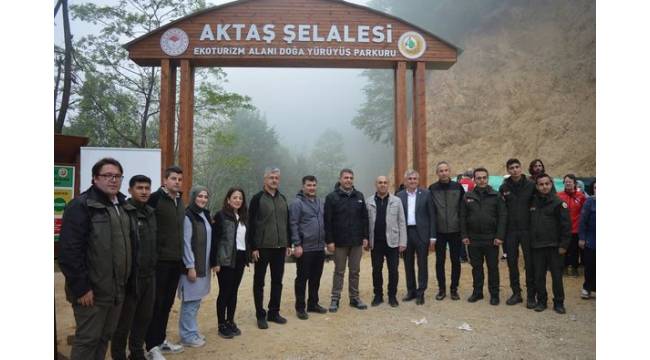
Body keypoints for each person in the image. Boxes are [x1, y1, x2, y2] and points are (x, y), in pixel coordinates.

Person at [59, 158, 138, 360]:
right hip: (92, 292)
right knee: (87, 340)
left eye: (117, 176)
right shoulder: (81, 206)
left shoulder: (122, 205)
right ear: (95, 178)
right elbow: (69, 252)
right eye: (107, 175)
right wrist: (82, 287)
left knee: (104, 337)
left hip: (117, 290)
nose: (113, 180)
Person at [111, 175, 157, 360]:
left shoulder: (152, 213)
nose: (144, 191)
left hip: (149, 275)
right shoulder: (124, 211)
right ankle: (118, 355)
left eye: (147, 188)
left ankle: (137, 352)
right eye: (140, 188)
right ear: (130, 190)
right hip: (130, 277)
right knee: (124, 322)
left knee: (144, 318)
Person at [145, 166, 185, 359]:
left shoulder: (179, 200)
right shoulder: (154, 199)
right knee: (156, 304)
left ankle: (160, 340)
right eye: (173, 178)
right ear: (165, 180)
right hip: (159, 261)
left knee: (167, 304)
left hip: (176, 260)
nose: (177, 182)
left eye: (179, 179)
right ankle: (151, 346)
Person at [248, 167, 291, 329]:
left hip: (280, 247)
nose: (274, 180)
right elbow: (251, 223)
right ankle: (260, 314)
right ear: (265, 179)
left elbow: (287, 223)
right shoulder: (257, 199)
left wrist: (288, 243)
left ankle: (274, 312)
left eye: (277, 178)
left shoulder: (283, 199)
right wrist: (253, 247)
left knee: (277, 281)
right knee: (259, 282)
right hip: (262, 247)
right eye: (271, 177)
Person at [325, 168, 370, 312]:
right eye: (346, 177)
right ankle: (335, 298)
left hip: (356, 241)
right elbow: (328, 221)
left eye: (351, 178)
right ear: (340, 180)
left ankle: (354, 298)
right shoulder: (332, 197)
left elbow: (364, 219)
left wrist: (365, 237)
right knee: (339, 271)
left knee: (355, 271)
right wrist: (329, 241)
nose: (348, 180)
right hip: (339, 242)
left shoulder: (359, 196)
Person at [461, 167, 507, 305]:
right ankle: (477, 292)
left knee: (493, 267)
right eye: (479, 178)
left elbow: (503, 216)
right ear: (474, 179)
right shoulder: (467, 196)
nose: (481, 180)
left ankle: (494, 294)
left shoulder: (496, 195)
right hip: (473, 239)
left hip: (491, 238)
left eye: (484, 177)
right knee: (476, 267)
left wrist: (499, 236)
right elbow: (462, 216)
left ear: (488, 179)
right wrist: (464, 235)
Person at [211, 187, 250, 338]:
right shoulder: (221, 216)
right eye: (234, 197)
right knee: (225, 292)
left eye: (240, 198)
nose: (238, 200)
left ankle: (230, 321)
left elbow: (246, 239)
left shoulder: (244, 216)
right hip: (225, 259)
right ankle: (221, 324)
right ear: (228, 199)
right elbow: (215, 241)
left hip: (240, 258)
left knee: (234, 292)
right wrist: (215, 262)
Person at [530, 174, 571, 313]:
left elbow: (566, 226)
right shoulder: (532, 202)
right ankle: (541, 301)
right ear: (537, 186)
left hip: (554, 247)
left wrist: (563, 245)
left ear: (551, 184)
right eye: (541, 184)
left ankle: (559, 302)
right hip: (537, 246)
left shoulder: (559, 203)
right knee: (539, 277)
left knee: (557, 277)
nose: (544, 187)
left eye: (547, 183)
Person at [498, 159, 537, 308]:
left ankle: (531, 296)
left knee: (529, 263)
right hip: (511, 232)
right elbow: (502, 212)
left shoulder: (531, 185)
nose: (514, 170)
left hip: (527, 230)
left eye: (517, 167)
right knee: (512, 263)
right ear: (508, 170)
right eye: (511, 168)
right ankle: (516, 293)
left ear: (521, 168)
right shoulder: (503, 188)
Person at [177, 186, 212, 347]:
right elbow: (185, 243)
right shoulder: (188, 215)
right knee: (190, 302)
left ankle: (192, 330)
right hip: (192, 267)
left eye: (205, 196)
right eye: (200, 196)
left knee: (196, 302)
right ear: (193, 197)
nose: (203, 199)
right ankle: (187, 336)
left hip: (202, 265)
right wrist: (190, 266)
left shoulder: (204, 214)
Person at [289, 175, 327, 319]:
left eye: (314, 185)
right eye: (309, 185)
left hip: (319, 247)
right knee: (302, 278)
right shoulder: (297, 203)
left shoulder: (320, 201)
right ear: (303, 186)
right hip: (305, 248)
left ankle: (313, 303)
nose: (312, 188)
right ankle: (300, 307)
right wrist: (297, 244)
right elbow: (293, 224)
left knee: (316, 278)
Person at [397, 169, 436, 305]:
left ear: (418, 181)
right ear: (405, 181)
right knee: (408, 264)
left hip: (422, 234)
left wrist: (432, 237)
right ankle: (411, 291)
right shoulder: (399, 195)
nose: (412, 181)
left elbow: (432, 215)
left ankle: (421, 292)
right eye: (410, 179)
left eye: (414, 179)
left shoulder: (426, 194)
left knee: (422, 264)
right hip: (406, 233)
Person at [366, 176, 407, 307]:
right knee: (376, 270)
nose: (382, 185)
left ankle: (392, 296)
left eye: (385, 182)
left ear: (388, 184)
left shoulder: (396, 201)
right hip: (376, 242)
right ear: (375, 184)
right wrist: (366, 239)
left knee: (393, 270)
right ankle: (378, 295)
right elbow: (365, 223)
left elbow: (402, 222)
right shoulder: (369, 201)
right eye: (380, 182)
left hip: (393, 242)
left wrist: (403, 242)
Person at [429, 161, 465, 301]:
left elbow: (463, 209)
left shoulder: (458, 187)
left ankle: (454, 289)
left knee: (455, 261)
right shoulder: (432, 188)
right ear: (437, 173)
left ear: (449, 171)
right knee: (440, 261)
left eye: (446, 170)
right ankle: (442, 289)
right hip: (439, 231)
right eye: (441, 171)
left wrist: (463, 229)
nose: (443, 173)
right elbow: (431, 212)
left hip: (455, 230)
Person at [558, 174, 587, 277]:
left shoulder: (581, 196)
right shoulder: (559, 196)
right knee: (563, 249)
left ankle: (574, 268)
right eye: (566, 182)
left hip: (576, 229)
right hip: (563, 229)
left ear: (575, 183)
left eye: (570, 181)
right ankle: (563, 268)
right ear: (564, 183)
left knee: (574, 250)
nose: (568, 183)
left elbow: (585, 212)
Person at [578, 180, 596, 299]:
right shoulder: (590, 202)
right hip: (591, 241)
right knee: (590, 266)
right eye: (596, 187)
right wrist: (582, 238)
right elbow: (583, 222)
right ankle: (587, 288)